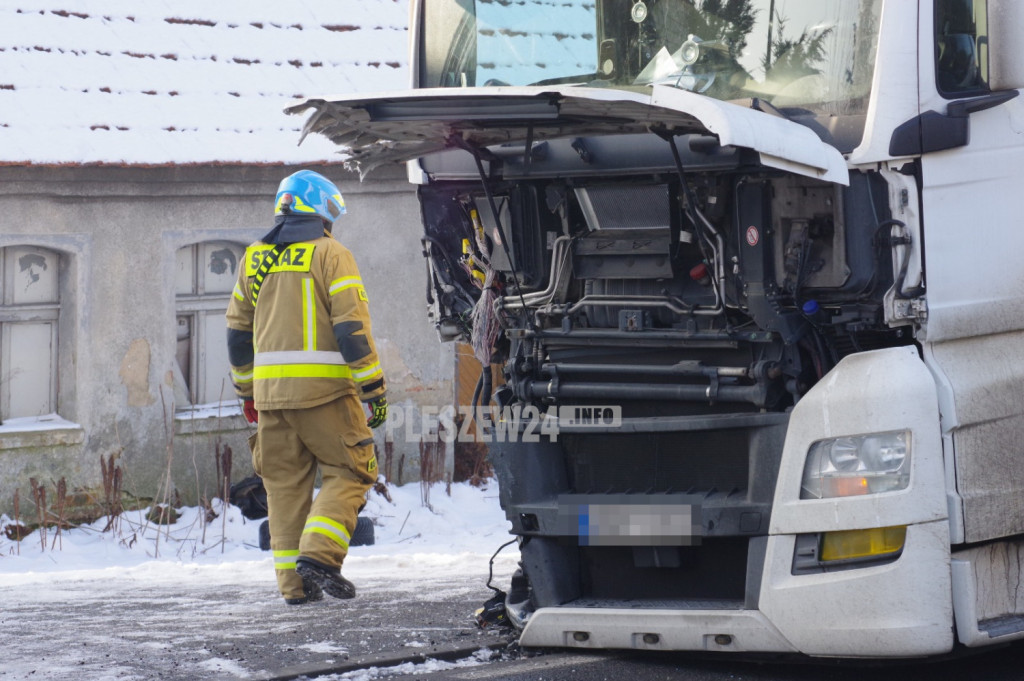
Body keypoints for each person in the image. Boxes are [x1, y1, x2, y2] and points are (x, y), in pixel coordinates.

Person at [226, 169, 389, 605]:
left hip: (270, 399)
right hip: (326, 394)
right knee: (352, 471)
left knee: (283, 489)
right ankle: (320, 557)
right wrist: (373, 388)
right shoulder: (331, 254)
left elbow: (237, 334)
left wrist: (247, 394)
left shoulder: (254, 258)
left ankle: (295, 588)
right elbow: (351, 329)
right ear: (318, 209)